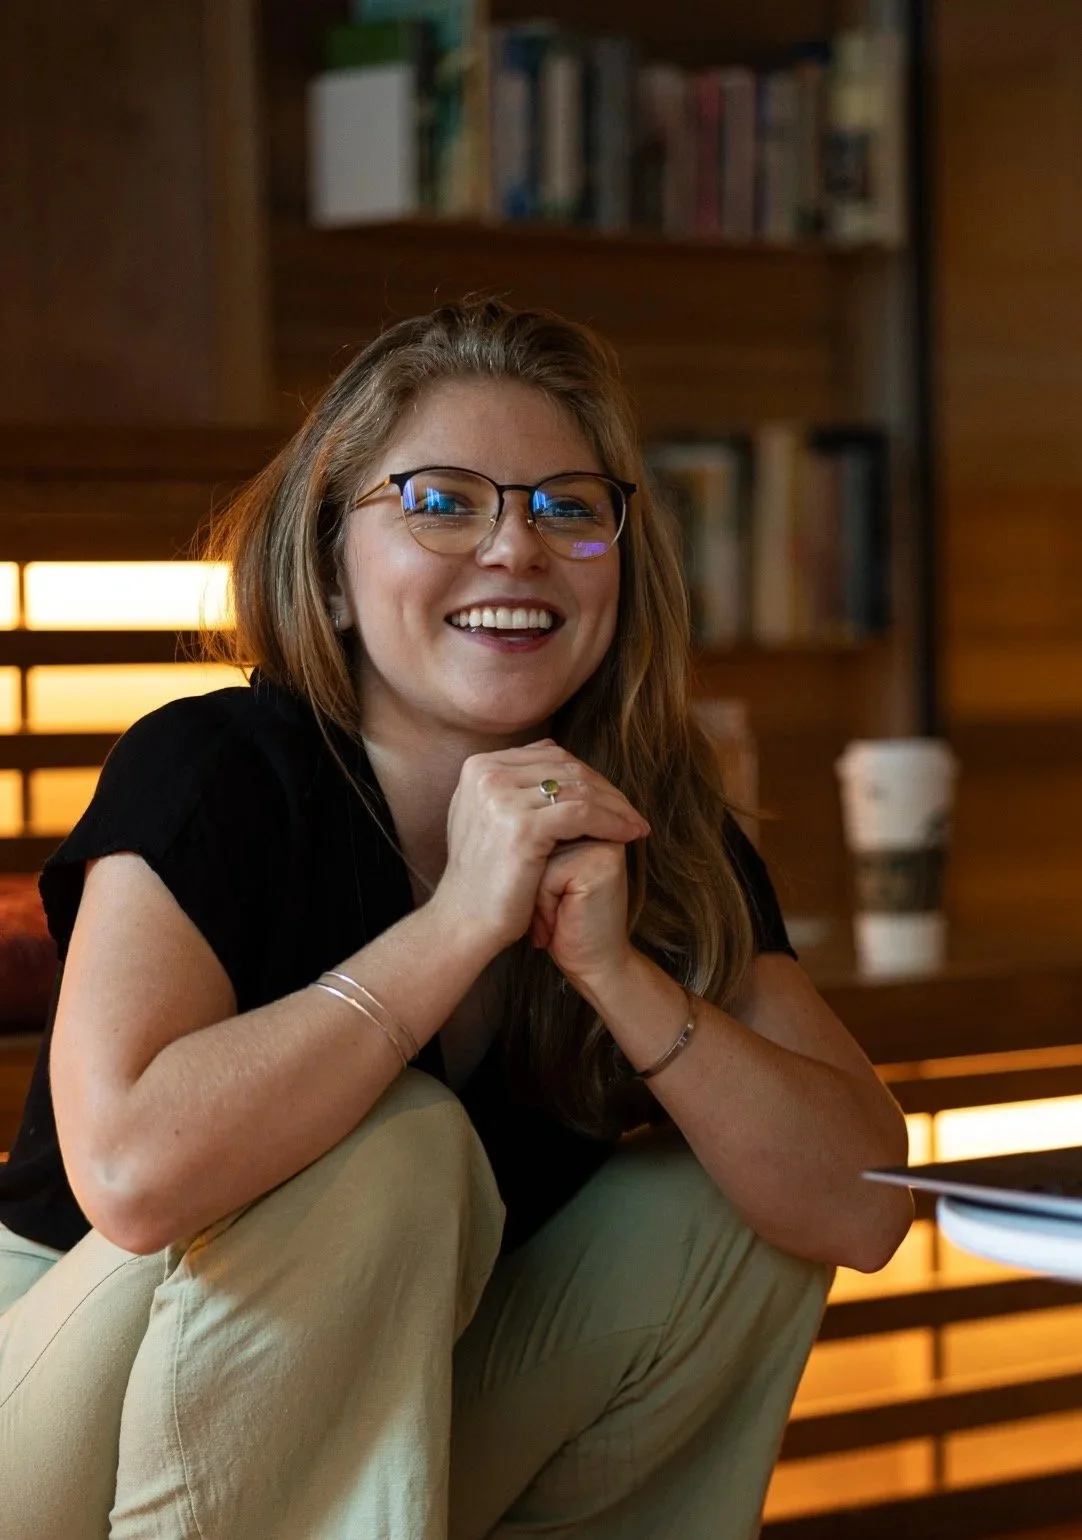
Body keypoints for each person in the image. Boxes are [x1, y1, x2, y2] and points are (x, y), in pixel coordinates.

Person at [0, 299, 912, 1540]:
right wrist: (457, 926)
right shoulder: (214, 767)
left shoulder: (652, 822)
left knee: (728, 1199)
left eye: (568, 507)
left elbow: (860, 1205)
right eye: (441, 500)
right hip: (56, 1406)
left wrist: (619, 973)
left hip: (363, 1426)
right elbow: (132, 1176)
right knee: (397, 1140)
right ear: (329, 565)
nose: (515, 549)